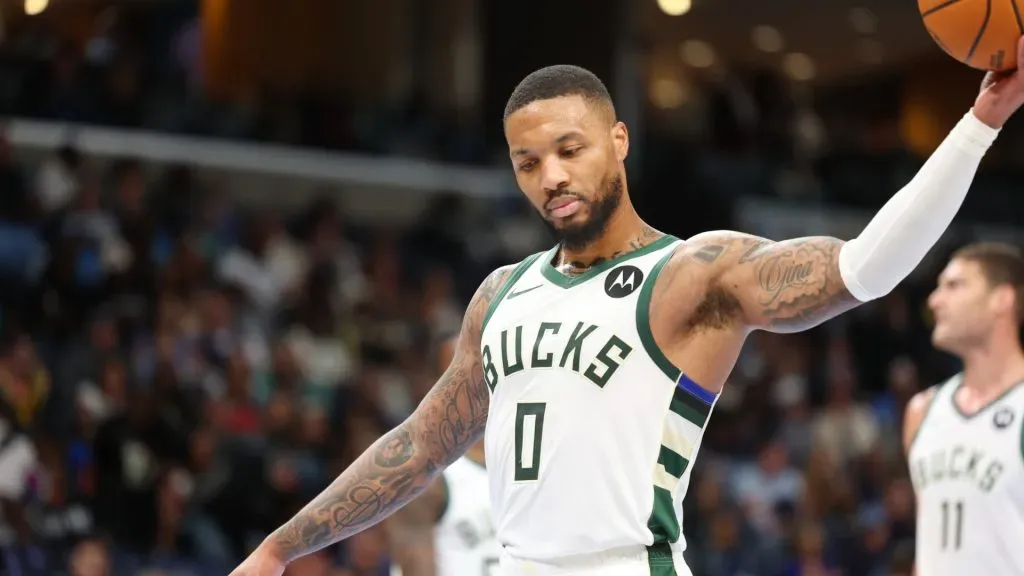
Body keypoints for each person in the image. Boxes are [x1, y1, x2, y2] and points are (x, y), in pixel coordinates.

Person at [230, 37, 1024, 576]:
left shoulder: (694, 273)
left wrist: (980, 123)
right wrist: (281, 547)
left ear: (618, 139)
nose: (550, 177)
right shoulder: (500, 294)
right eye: (527, 162)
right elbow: (418, 446)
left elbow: (867, 268)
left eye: (568, 150)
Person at [904, 242, 1024, 576]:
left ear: (1003, 299)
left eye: (954, 286)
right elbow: (929, 546)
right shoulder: (921, 411)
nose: (934, 300)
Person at [385, 336, 499, 576]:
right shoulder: (429, 478)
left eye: (482, 371)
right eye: (463, 374)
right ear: (439, 387)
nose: (477, 384)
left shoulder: (533, 460)